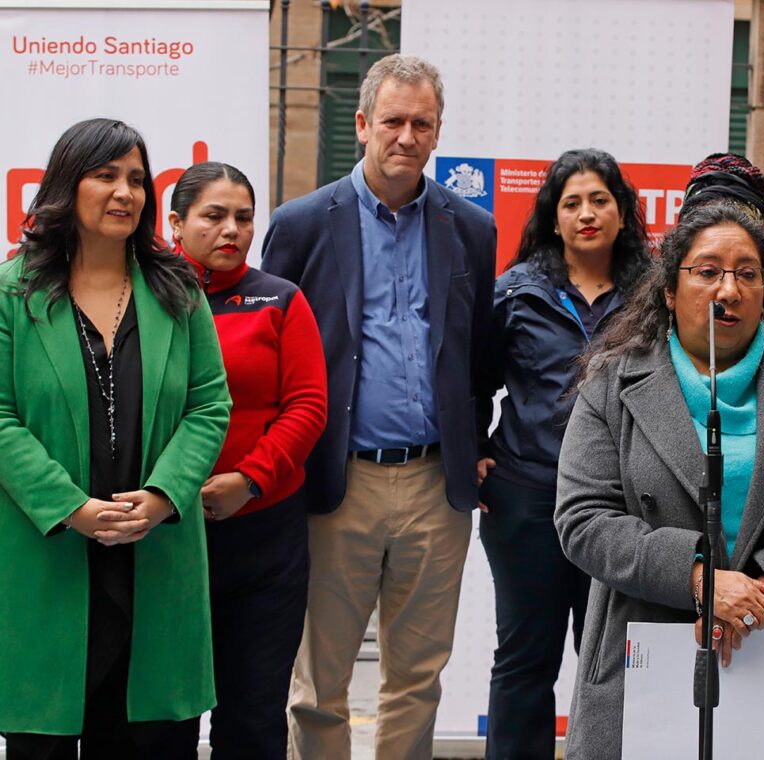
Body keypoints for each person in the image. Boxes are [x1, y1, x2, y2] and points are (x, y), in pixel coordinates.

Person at [554, 200, 764, 759]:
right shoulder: (613, 382)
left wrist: (756, 592)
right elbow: (583, 518)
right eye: (707, 272)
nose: (727, 290)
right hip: (647, 648)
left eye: (747, 274)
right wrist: (701, 581)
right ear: (668, 290)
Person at [260, 53, 496, 760]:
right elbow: (274, 348)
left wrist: (476, 440)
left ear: (437, 131)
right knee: (320, 681)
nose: (407, 136)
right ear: (362, 125)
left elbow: (478, 346)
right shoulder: (301, 223)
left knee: (417, 678)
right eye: (392, 120)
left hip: (435, 485)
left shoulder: (471, 229)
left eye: (422, 123)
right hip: (340, 482)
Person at [0, 118, 231, 757]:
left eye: (135, 178)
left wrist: (162, 497)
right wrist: (70, 509)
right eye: (105, 175)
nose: (124, 191)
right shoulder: (12, 292)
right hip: (48, 552)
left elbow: (210, 405)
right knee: (41, 741)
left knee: (148, 738)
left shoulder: (177, 289)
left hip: (153, 552)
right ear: (66, 186)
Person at [479, 148, 651, 758]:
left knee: (612, 659)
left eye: (599, 200)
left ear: (623, 211)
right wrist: (474, 447)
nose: (586, 214)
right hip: (528, 495)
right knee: (525, 658)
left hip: (623, 502)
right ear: (553, 217)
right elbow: (475, 377)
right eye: (571, 202)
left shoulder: (653, 295)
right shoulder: (518, 291)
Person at [168, 162, 328, 757]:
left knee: (255, 714)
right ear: (176, 222)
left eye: (242, 217)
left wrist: (251, 480)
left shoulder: (279, 299)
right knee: (166, 716)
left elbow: (309, 405)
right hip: (168, 536)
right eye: (213, 216)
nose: (230, 229)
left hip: (266, 536)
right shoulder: (146, 297)